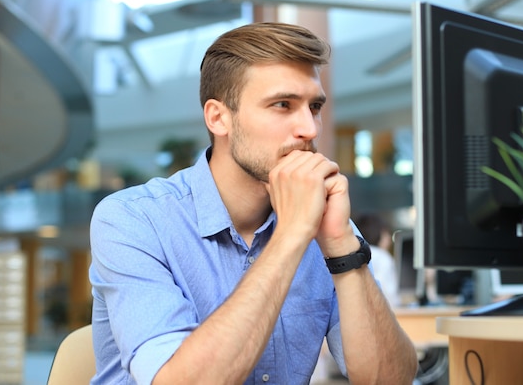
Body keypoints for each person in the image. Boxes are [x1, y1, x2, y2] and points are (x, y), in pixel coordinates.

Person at [89, 22, 418, 385]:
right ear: (218, 117)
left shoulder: (325, 226)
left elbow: (390, 380)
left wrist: (342, 246)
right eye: (282, 105)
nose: (309, 128)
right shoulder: (132, 219)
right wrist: (292, 235)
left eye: (315, 106)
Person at [353, 212, 400, 307]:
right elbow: (390, 297)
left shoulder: (353, 254)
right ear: (379, 233)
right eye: (387, 234)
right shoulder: (383, 257)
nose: (389, 240)